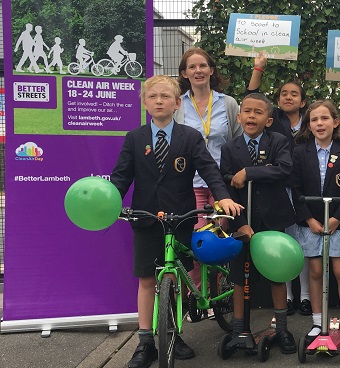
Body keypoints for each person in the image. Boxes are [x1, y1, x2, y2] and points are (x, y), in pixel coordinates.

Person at [110, 75, 243, 368]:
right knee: (147, 280)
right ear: (145, 103)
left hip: (179, 218)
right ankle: (145, 342)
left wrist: (223, 198)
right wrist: (109, 202)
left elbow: (209, 169)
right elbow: (121, 177)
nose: (159, 101)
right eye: (153, 96)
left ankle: (172, 334)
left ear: (177, 103)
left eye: (165, 97)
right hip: (145, 219)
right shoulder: (135, 138)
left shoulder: (189, 137)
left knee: (175, 277)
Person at [219, 92, 298, 354]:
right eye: (247, 111)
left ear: (269, 120)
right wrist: (239, 223)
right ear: (239, 116)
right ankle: (239, 329)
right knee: (240, 276)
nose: (252, 116)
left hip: (272, 218)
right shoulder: (230, 147)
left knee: (277, 274)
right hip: (242, 222)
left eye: (258, 112)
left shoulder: (279, 141)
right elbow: (226, 186)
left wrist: (249, 172)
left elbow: (284, 169)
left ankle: (283, 328)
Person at [175, 47, 241, 310]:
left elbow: (237, 142)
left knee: (217, 239)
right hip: (190, 183)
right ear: (184, 73)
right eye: (192, 67)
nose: (198, 71)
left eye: (202, 66)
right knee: (196, 241)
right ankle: (197, 296)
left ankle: (217, 293)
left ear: (211, 70)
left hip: (221, 183)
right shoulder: (178, 104)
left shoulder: (228, 103)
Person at [291, 100, 340, 347]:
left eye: (324, 118)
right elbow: (295, 189)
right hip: (311, 223)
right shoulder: (300, 152)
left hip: (338, 222)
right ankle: (318, 322)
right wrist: (309, 219)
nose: (319, 124)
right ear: (308, 125)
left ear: (335, 122)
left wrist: (336, 218)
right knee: (316, 271)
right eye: (314, 120)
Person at [248, 55, 311, 314]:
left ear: (303, 101)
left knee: (304, 240)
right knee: (284, 241)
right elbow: (252, 94)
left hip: (306, 187)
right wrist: (258, 67)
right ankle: (285, 295)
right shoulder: (273, 120)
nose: (288, 97)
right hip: (281, 188)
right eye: (284, 93)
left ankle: (305, 295)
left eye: (294, 94)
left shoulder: (311, 121)